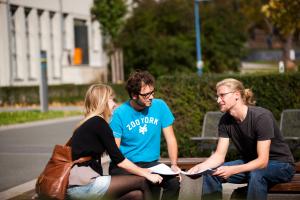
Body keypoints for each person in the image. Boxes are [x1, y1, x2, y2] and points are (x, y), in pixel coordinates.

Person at [188, 78, 295, 200]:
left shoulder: (261, 117)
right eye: (217, 96)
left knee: (257, 174)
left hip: (281, 164)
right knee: (211, 173)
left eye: (222, 95)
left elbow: (263, 161)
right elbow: (219, 156)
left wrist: (233, 169)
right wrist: (199, 167)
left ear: (237, 95)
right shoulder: (225, 121)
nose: (218, 100)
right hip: (251, 163)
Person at [67, 84, 163, 200]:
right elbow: (119, 160)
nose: (115, 104)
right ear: (103, 102)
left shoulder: (89, 123)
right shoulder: (99, 123)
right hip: (84, 185)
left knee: (136, 195)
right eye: (111, 100)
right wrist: (146, 173)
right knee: (143, 181)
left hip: (80, 184)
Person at [109, 70, 181, 200]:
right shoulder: (120, 113)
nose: (151, 97)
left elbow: (170, 138)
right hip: (125, 165)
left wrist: (174, 164)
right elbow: (115, 152)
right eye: (146, 94)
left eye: (152, 92)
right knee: (143, 185)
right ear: (134, 95)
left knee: (174, 183)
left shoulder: (160, 106)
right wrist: (141, 172)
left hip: (151, 164)